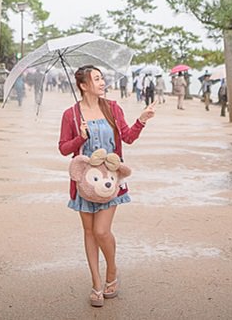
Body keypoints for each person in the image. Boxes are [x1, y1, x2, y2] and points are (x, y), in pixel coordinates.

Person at [59, 65, 155, 307]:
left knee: (102, 231)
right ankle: (96, 284)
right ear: (83, 86)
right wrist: (80, 137)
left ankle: (112, 270)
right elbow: (63, 148)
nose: (102, 83)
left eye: (102, 78)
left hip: (110, 181)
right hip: (85, 183)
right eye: (97, 79)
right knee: (89, 233)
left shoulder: (112, 108)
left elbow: (128, 137)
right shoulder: (71, 115)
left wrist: (141, 121)